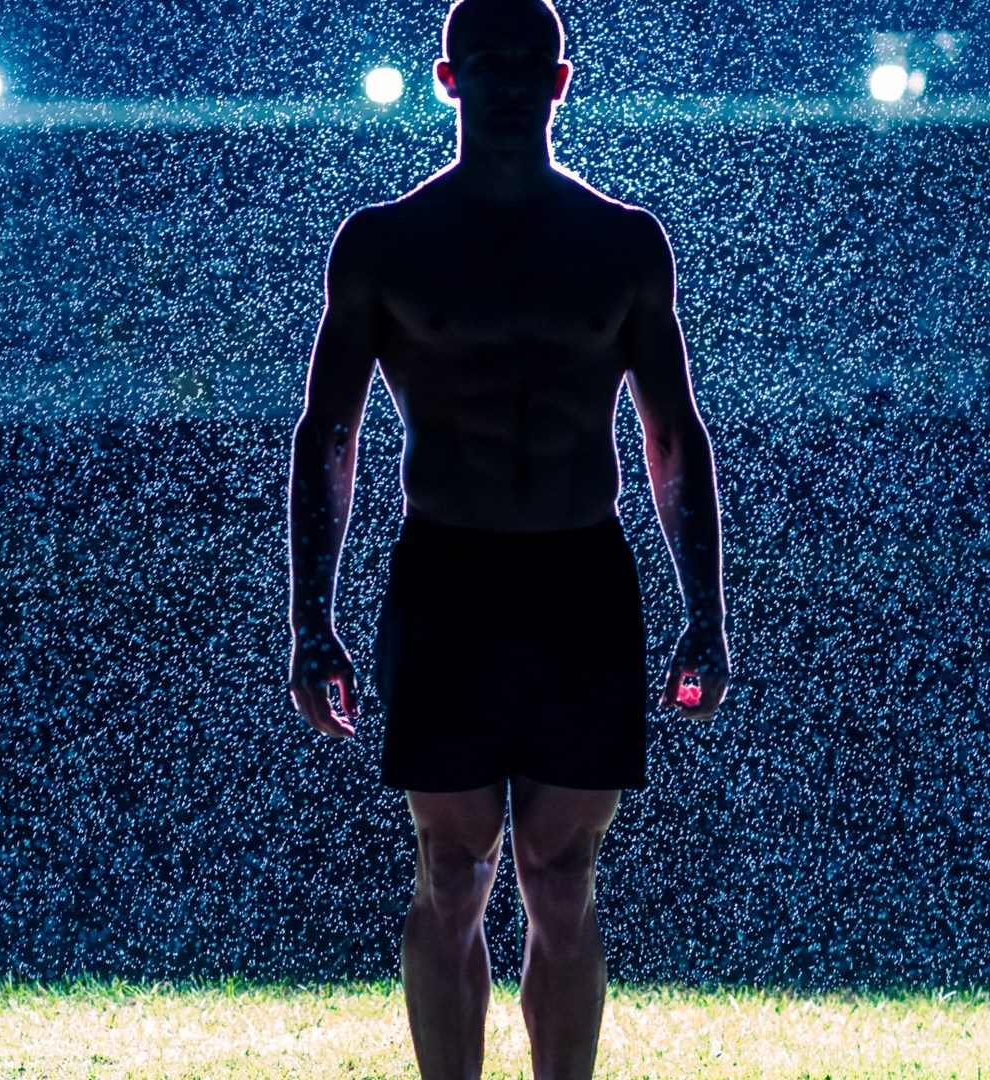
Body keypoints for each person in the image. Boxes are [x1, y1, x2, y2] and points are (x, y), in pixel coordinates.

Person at [285, 1, 727, 1075]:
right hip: (450, 572)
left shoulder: (621, 242)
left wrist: (707, 614)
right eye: (491, 61)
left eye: (533, 60)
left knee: (561, 877)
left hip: (579, 573)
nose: (513, 78)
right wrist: (311, 618)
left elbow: (673, 436)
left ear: (564, 79)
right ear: (450, 77)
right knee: (452, 869)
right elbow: (328, 436)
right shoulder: (387, 243)